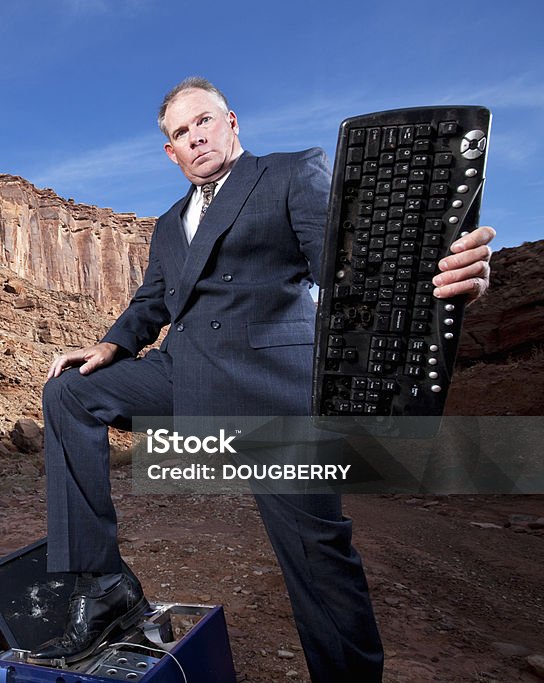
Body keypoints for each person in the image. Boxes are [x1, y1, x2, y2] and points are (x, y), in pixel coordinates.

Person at [32, 76, 495, 681]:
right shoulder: (169, 223)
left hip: (268, 388)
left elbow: (348, 266)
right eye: (180, 133)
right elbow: (152, 302)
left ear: (231, 122)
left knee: (316, 554)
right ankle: (101, 583)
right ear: (169, 153)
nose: (195, 137)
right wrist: (110, 345)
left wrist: (442, 274)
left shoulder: (287, 174)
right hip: (184, 375)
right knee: (69, 393)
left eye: (203, 121)